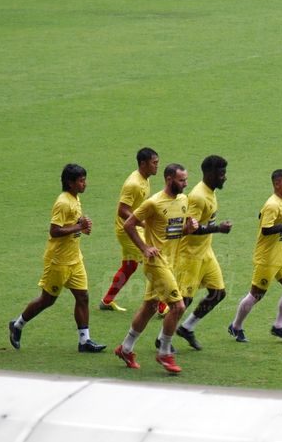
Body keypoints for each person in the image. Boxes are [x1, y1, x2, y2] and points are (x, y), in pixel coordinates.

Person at [8, 164, 106, 353]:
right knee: (47, 300)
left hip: (75, 259)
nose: (85, 184)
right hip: (58, 261)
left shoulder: (75, 199)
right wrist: (78, 227)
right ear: (70, 183)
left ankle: (84, 341)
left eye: (85, 179)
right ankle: (17, 325)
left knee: (83, 297)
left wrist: (81, 226)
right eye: (81, 181)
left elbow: (70, 225)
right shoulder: (63, 202)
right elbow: (54, 230)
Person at [114, 163, 197, 374]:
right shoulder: (153, 203)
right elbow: (128, 224)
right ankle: (165, 353)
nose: (186, 184)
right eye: (182, 180)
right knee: (178, 307)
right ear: (169, 179)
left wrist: (190, 228)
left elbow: (178, 232)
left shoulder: (183, 200)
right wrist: (144, 247)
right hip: (155, 263)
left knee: (150, 307)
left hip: (171, 263)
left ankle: (126, 348)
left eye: (186, 180)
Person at [228, 169, 282, 343]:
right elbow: (266, 230)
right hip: (267, 258)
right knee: (256, 295)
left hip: (281, 255)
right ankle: (236, 326)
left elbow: (268, 219)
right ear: (277, 184)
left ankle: (279, 326)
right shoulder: (272, 204)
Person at [168, 155, 232, 351]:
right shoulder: (197, 197)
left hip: (205, 252)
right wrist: (218, 229)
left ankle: (187, 328)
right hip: (190, 255)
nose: (225, 178)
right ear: (210, 174)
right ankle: (164, 340)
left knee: (218, 293)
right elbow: (191, 228)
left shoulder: (210, 191)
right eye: (221, 174)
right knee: (183, 301)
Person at [99, 147, 159, 312]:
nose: (157, 166)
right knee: (154, 260)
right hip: (127, 230)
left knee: (129, 266)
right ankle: (162, 306)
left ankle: (106, 301)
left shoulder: (145, 179)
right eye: (154, 163)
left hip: (132, 226)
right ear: (143, 163)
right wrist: (142, 223)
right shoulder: (133, 184)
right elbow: (122, 210)